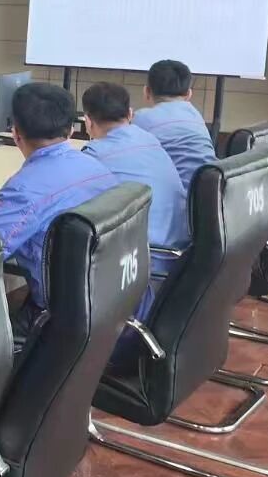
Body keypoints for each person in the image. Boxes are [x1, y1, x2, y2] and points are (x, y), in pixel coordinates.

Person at [0, 82, 119, 335]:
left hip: (60, 319)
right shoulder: (96, 168)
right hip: (109, 300)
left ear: (15, 133)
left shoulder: (23, 190)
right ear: (71, 131)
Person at [81, 82, 190, 325]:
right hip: (181, 260)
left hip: (143, 269)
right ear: (130, 114)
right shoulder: (148, 139)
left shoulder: (95, 155)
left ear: (87, 121)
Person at [132, 59, 217, 190]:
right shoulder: (195, 115)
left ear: (147, 91)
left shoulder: (141, 118)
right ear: (189, 94)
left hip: (174, 196)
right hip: (209, 191)